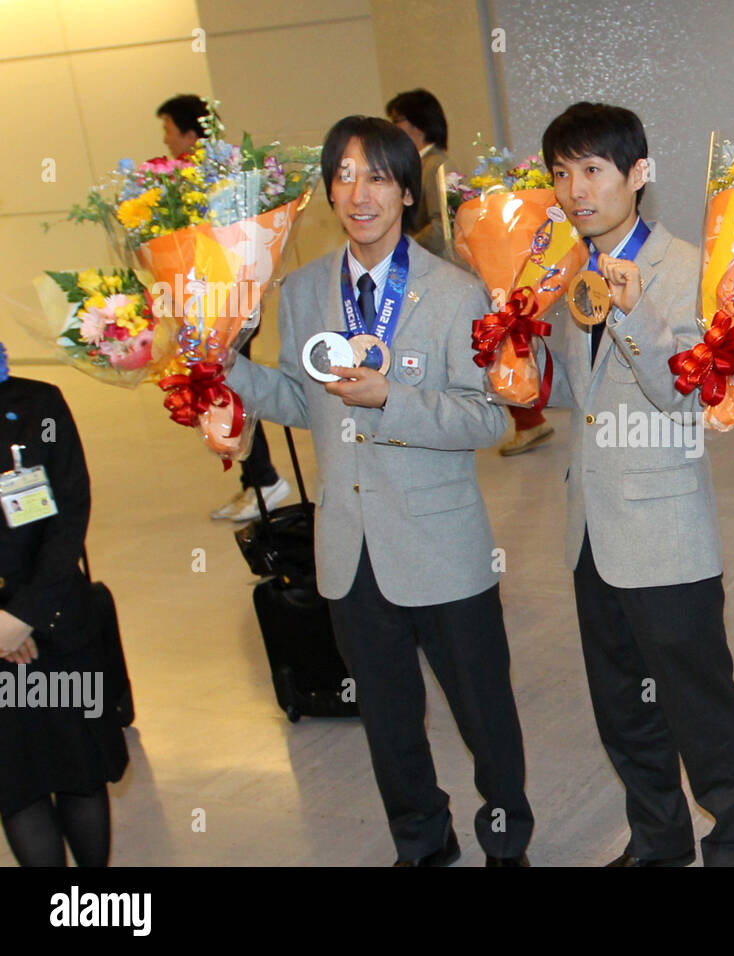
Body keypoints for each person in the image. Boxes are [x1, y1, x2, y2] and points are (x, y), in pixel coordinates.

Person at [225, 116, 533, 867]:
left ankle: (505, 841)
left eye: (376, 177)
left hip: (442, 544)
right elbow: (303, 404)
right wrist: (222, 363)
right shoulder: (302, 291)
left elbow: (489, 418)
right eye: (344, 176)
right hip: (349, 551)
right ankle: (422, 844)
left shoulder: (457, 293)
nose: (358, 193)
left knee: (482, 712)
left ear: (404, 190)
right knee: (389, 720)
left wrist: (389, 398)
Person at [537, 102, 734, 866]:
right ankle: (658, 844)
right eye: (562, 173)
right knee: (623, 713)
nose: (576, 190)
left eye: (593, 170)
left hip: (667, 536)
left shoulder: (697, 268)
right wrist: (516, 349)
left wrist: (633, 314)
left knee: (701, 708)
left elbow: (682, 392)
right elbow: (581, 394)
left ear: (638, 174)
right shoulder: (566, 273)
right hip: (591, 533)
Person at [0, 345, 129, 866]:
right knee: (17, 783)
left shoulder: (39, 403)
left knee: (79, 772)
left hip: (56, 619)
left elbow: (70, 509)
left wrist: (23, 614)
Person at [156, 94, 291, 522]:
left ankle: (265, 480)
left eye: (168, 129)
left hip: (231, 303)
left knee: (233, 388)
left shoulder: (222, 180)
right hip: (209, 302)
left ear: (192, 133)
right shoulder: (192, 181)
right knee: (222, 390)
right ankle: (254, 481)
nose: (165, 138)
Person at [385, 89, 453, 262]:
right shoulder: (420, 164)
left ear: (418, 123)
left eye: (396, 121)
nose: (392, 128)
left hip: (435, 264)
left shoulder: (435, 165)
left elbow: (441, 227)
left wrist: (401, 249)